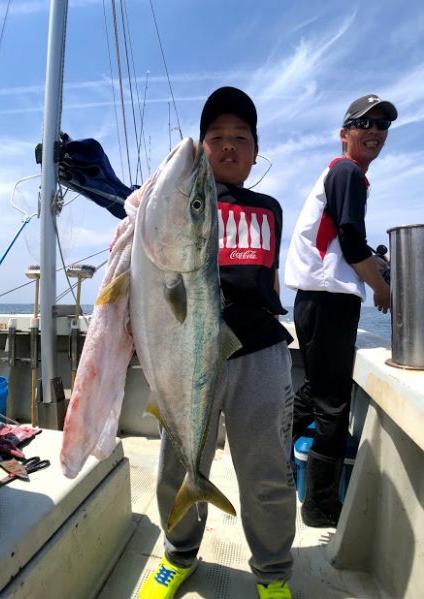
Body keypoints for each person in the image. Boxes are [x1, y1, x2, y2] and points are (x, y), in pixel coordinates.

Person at [140, 87, 296, 599]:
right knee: (174, 463)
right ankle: (179, 555)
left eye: (241, 138)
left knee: (268, 470)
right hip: (190, 351)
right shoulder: (182, 198)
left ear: (255, 150)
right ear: (203, 148)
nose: (228, 146)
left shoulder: (269, 208)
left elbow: (268, 280)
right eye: (217, 137)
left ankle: (272, 573)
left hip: (261, 353)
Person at [284, 94, 397, 528]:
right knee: (332, 406)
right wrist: (383, 287)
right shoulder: (347, 171)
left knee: (315, 391)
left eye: (382, 125)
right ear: (344, 134)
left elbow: (342, 240)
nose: (374, 131)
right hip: (329, 302)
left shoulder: (341, 174)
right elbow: (350, 241)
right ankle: (319, 506)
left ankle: (282, 464)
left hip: (315, 302)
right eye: (363, 123)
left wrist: (375, 262)